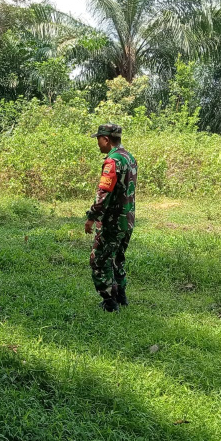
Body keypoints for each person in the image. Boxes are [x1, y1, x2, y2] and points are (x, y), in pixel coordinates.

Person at [84, 123, 137, 312]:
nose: (97, 143)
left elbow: (103, 193)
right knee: (117, 259)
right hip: (127, 220)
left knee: (99, 260)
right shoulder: (129, 158)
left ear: (106, 139)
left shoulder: (112, 161)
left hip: (112, 222)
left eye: (98, 139)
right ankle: (121, 297)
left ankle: (109, 303)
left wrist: (92, 217)